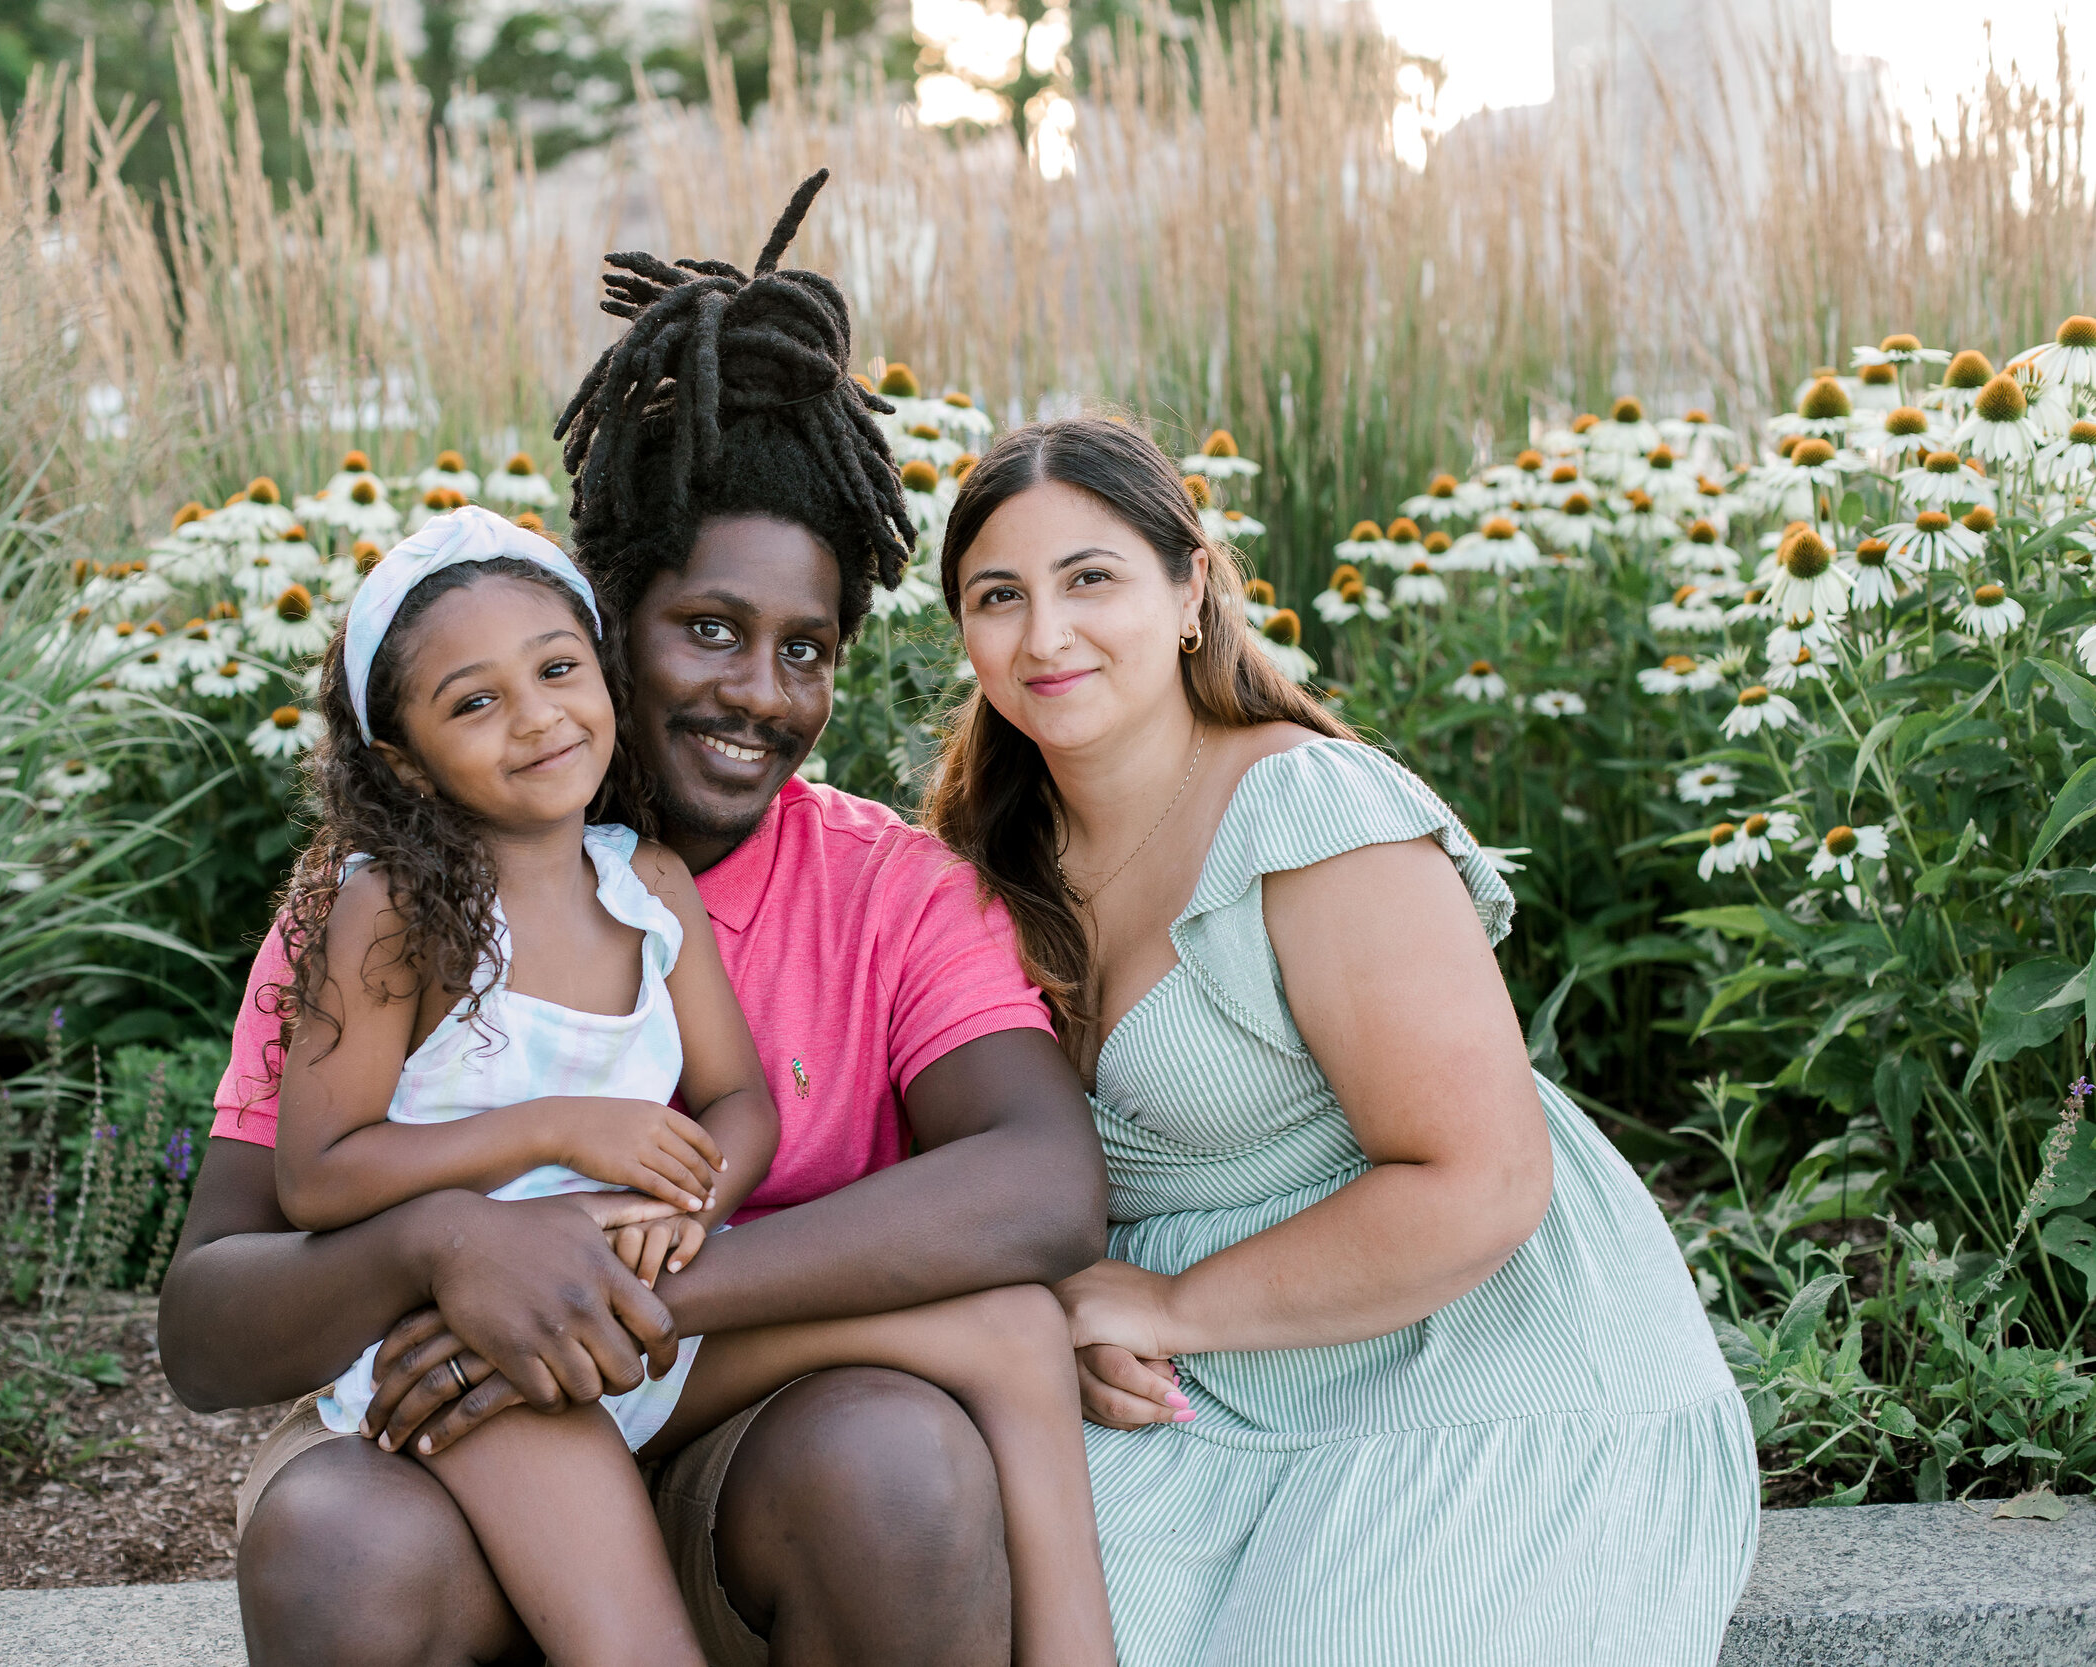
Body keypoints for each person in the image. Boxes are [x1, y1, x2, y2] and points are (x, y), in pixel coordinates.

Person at [156, 174, 1111, 1667]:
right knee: (338, 1540)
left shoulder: (883, 886)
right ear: (605, 616)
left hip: (749, 1444)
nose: (757, 695)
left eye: (808, 651)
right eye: (710, 629)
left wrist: (610, 1288)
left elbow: (1044, 1183)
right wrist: (449, 1250)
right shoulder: (390, 897)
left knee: (898, 1461)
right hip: (455, 1465)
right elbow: (208, 1322)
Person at [924, 417, 1762, 1667]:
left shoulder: (1310, 812)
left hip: (1474, 1361)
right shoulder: (979, 865)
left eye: (1089, 577)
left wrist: (1170, 1301)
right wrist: (1075, 1309)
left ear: (1190, 585)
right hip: (1194, 1395)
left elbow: (1481, 1180)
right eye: (1000, 595)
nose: (1044, 635)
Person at [265, 504, 1115, 1667]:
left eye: (558, 670)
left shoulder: (643, 888)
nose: (535, 716)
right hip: (478, 1342)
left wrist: (686, 1216)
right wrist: (531, 1167)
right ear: (401, 759)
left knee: (1016, 1324)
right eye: (474, 700)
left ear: (595, 666)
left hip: (647, 1313)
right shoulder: (383, 911)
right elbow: (313, 1178)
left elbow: (742, 1104)